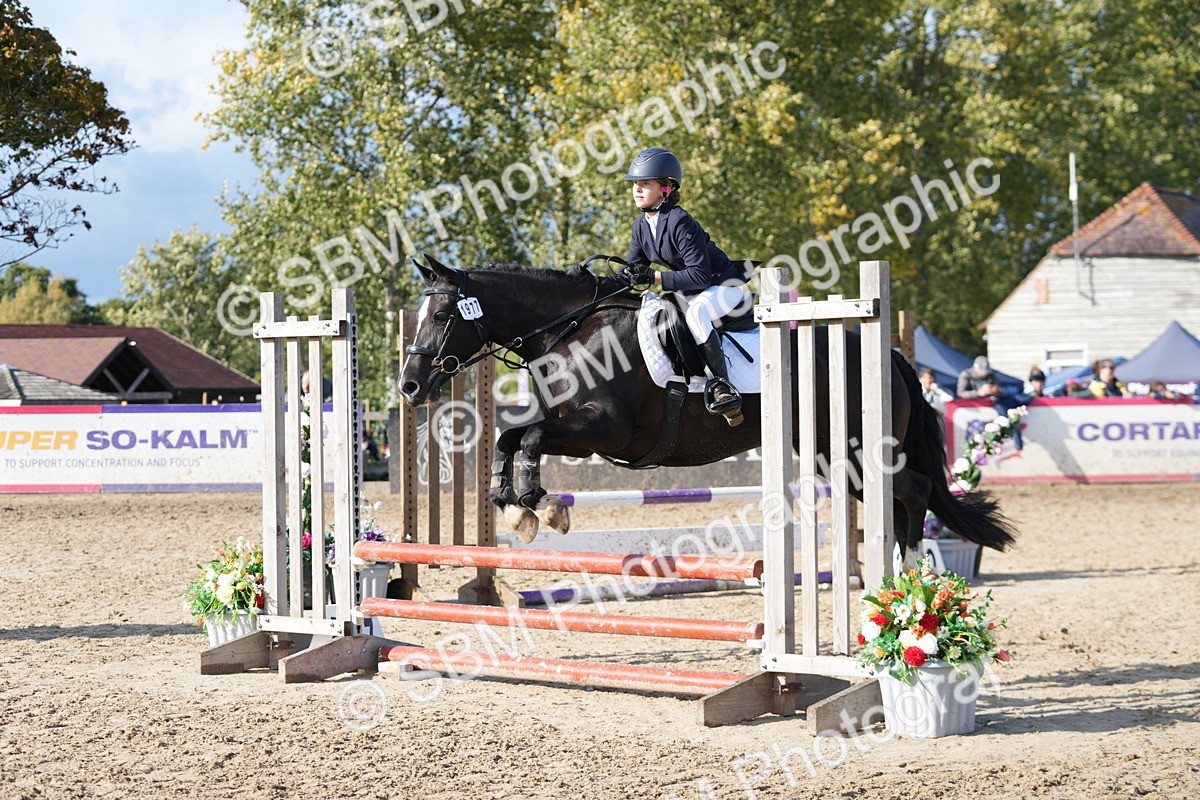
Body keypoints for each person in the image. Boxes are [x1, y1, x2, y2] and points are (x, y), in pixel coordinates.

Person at [611, 147, 751, 427]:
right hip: (694, 289)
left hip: (724, 285)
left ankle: (722, 387)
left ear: (665, 188)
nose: (637, 190)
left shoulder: (679, 220)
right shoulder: (641, 225)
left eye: (645, 184)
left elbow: (699, 275)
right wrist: (591, 284)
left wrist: (655, 278)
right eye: (636, 184)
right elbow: (630, 273)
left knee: (696, 314)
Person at [957, 356, 1023, 450]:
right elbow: (960, 393)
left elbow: (1001, 391)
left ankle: (1015, 441)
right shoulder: (966, 375)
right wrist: (979, 393)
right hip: (974, 412)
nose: (985, 374)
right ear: (975, 368)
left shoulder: (991, 375)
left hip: (991, 409)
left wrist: (996, 391)